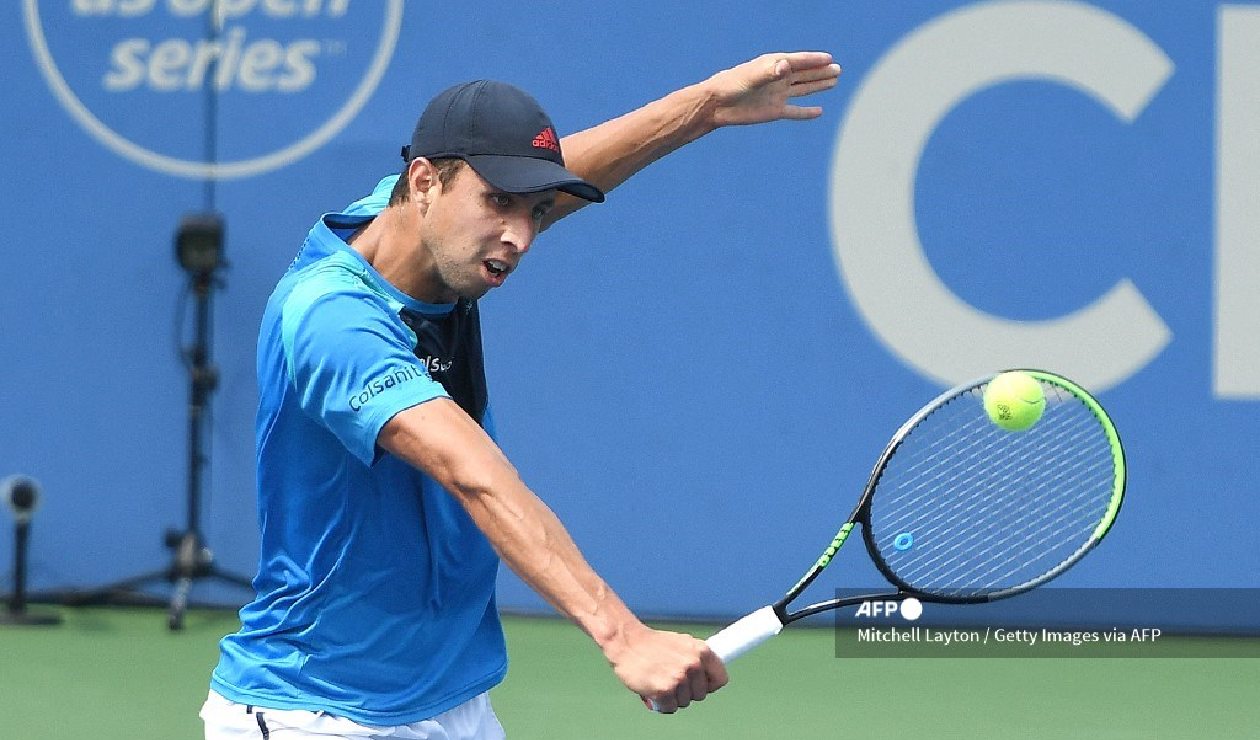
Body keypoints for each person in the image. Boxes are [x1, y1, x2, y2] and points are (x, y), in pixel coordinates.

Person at [201, 52, 841, 740]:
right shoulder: (333, 320)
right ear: (422, 183)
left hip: (449, 702)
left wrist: (705, 106)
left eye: (536, 210)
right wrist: (622, 635)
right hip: (319, 711)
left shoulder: (416, 222)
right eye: (499, 203)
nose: (521, 236)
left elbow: (556, 178)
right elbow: (473, 477)